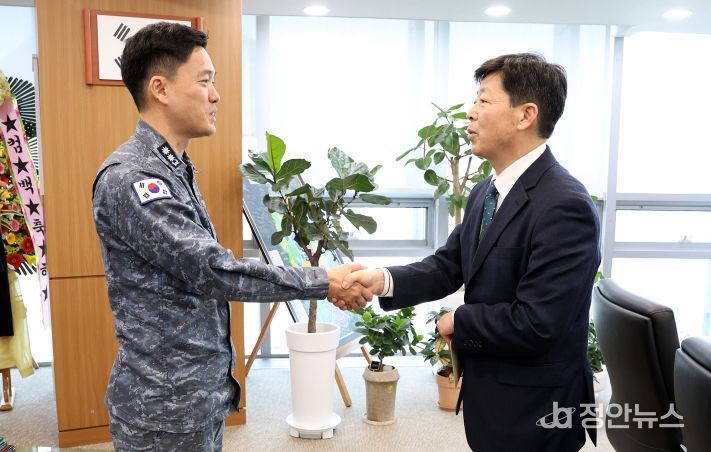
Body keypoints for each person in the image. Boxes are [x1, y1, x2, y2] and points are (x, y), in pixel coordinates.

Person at [92, 22, 370, 452]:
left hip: (194, 398)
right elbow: (213, 271)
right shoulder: (134, 178)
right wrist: (322, 280)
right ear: (160, 89)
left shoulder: (173, 168)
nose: (216, 95)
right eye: (204, 81)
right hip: (163, 409)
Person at [344, 53, 601, 451]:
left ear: (525, 115)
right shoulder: (487, 190)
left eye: (484, 100)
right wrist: (382, 280)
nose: (471, 112)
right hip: (492, 398)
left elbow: (538, 322)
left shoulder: (565, 205)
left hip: (536, 410)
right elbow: (449, 265)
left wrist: (458, 321)